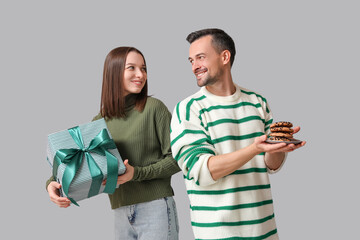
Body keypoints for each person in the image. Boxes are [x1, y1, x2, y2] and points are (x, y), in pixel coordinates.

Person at [170, 28, 306, 240]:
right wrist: (254, 149)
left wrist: (278, 148)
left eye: (200, 57)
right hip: (218, 234)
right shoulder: (189, 109)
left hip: (265, 231)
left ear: (225, 56)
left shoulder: (257, 102)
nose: (195, 66)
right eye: (191, 60)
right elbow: (201, 171)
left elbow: (271, 165)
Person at [46, 46, 181, 240]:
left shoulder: (154, 109)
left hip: (156, 206)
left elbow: (178, 159)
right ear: (114, 72)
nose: (140, 74)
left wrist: (137, 173)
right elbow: (79, 165)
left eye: (143, 68)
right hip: (120, 212)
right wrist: (52, 185)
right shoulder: (100, 121)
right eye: (132, 68)